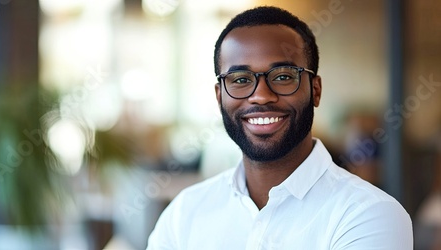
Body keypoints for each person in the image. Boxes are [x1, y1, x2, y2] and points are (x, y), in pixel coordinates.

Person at [147, 6, 413, 249]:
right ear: (220, 97)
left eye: (283, 77)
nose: (261, 95)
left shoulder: (369, 214)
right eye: (240, 79)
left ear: (316, 90)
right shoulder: (184, 212)